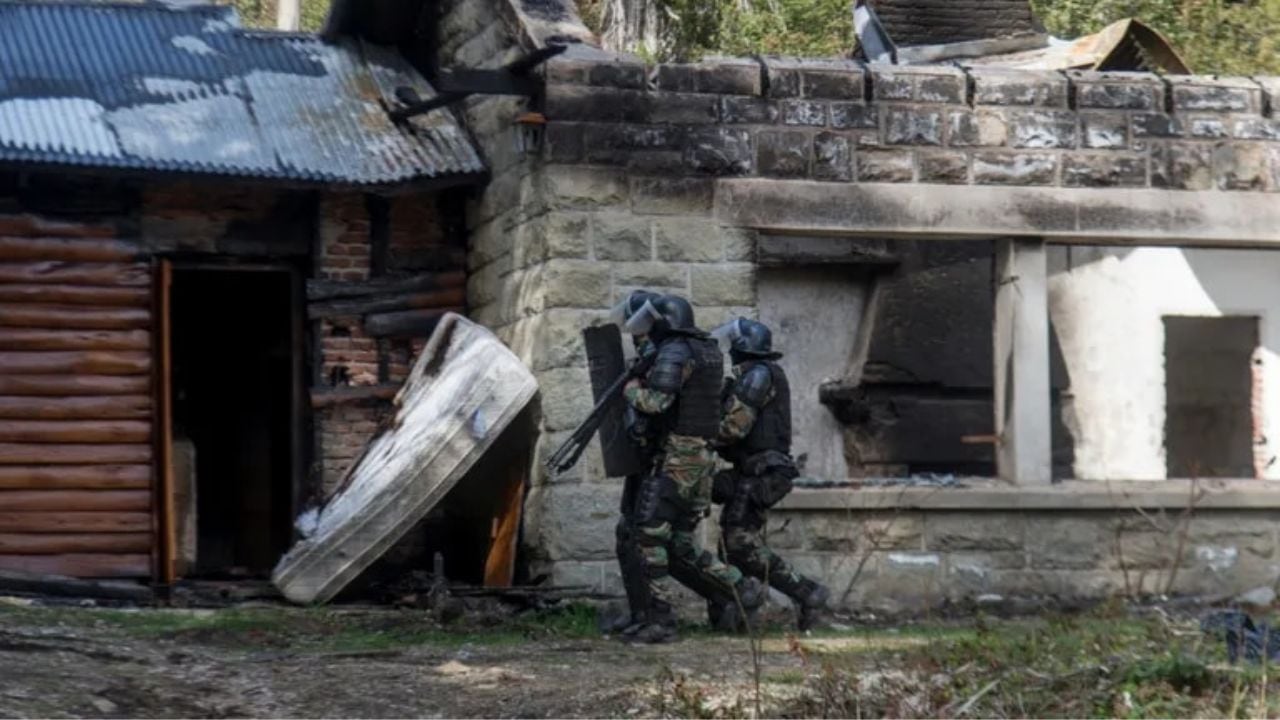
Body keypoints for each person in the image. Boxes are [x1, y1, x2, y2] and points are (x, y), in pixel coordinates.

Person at [616, 294, 763, 643]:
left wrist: (630, 388)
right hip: (700, 458)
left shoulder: (675, 351)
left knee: (648, 536)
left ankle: (662, 621)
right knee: (681, 544)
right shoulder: (707, 350)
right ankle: (743, 588)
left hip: (678, 459)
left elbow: (656, 402)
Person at [712, 317, 830, 631]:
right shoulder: (756, 374)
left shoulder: (758, 375)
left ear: (743, 347)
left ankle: (808, 592)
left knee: (739, 544)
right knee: (731, 546)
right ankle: (739, 614)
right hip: (754, 470)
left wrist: (700, 435)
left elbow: (734, 428)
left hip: (763, 472)